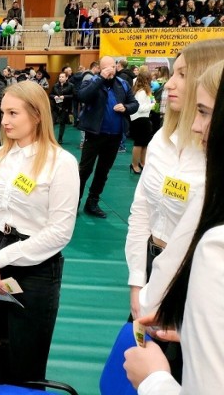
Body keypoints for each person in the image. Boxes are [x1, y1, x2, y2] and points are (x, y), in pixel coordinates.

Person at [0, 81, 79, 386]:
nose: (4, 120)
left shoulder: (62, 164)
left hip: (35, 268)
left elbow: (59, 232)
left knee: (27, 359)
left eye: (13, 113)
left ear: (37, 115)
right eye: (3, 112)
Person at [124, 60, 224, 394]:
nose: (168, 83)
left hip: (185, 278)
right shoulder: (161, 140)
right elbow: (141, 212)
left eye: (183, 74)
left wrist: (154, 381)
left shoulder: (215, 244)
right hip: (157, 273)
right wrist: (138, 281)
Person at [77, 56, 139, 218]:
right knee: (84, 170)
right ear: (100, 68)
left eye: (113, 66)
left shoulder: (123, 84)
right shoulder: (91, 81)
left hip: (114, 136)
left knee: (103, 171)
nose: (110, 70)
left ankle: (92, 202)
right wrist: (101, 79)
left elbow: (135, 104)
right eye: (106, 68)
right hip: (94, 134)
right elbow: (83, 96)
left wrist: (125, 107)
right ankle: (74, 202)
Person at [129, 66, 155, 174]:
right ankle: (134, 164)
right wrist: (152, 105)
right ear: (147, 80)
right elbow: (139, 108)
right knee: (139, 143)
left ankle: (142, 163)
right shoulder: (141, 92)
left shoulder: (143, 91)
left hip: (143, 119)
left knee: (144, 143)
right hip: (139, 119)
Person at [50, 72, 74, 144]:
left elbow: (74, 96)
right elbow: (50, 94)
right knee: (52, 123)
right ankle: (50, 137)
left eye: (62, 77)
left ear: (67, 78)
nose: (61, 78)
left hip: (65, 107)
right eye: (60, 77)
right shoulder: (55, 85)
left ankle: (60, 138)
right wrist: (54, 96)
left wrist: (65, 97)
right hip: (56, 106)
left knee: (62, 123)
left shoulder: (71, 86)